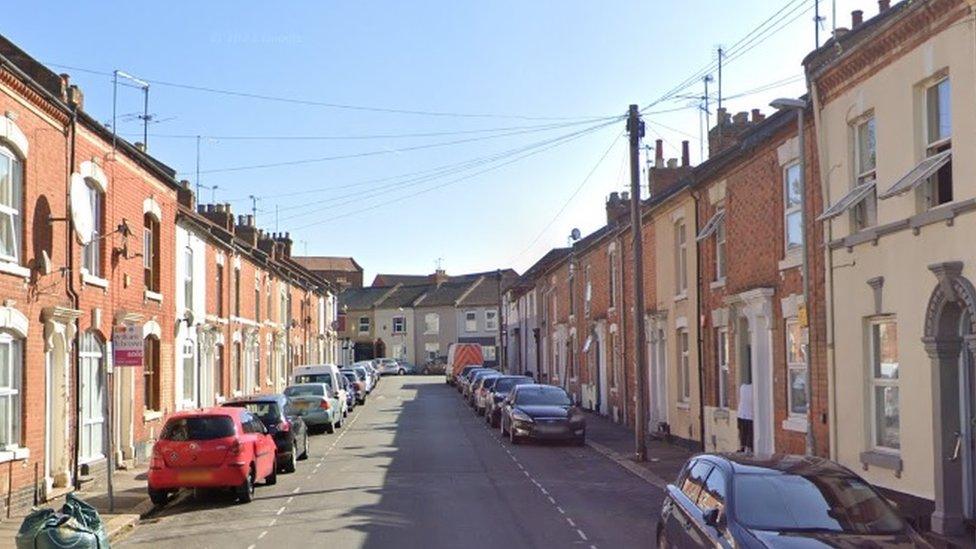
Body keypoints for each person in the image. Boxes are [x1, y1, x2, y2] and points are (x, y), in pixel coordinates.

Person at [737, 382, 754, 452]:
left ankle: (742, 447)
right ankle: (748, 448)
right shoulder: (754, 389)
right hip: (750, 415)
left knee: (742, 433)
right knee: (750, 433)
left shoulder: (742, 387)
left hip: (741, 414)